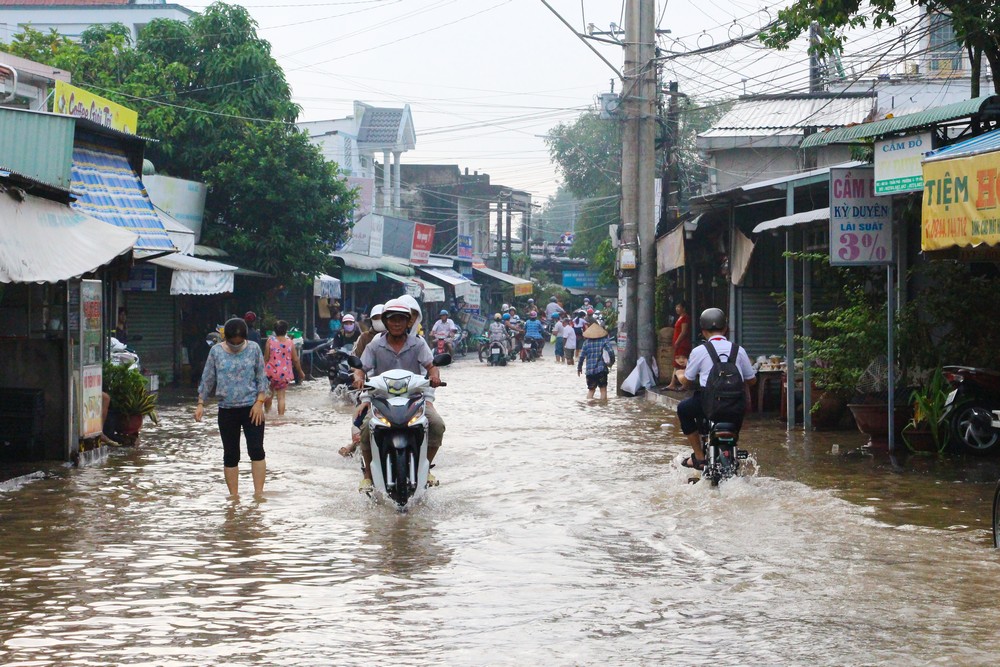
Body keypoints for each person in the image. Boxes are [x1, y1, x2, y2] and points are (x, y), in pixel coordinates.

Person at [353, 300, 445, 492]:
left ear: (408, 323)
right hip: (381, 400)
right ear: (386, 322)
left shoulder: (418, 344)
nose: (396, 323)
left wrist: (435, 376)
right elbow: (361, 368)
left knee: (436, 425)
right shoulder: (375, 345)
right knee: (366, 428)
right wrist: (359, 379)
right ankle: (368, 477)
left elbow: (431, 365)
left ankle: (426, 467)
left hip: (414, 399)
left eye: (401, 320)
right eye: (392, 320)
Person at [195, 317, 269, 497]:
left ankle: (258, 495)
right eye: (232, 342)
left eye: (239, 342)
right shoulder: (216, 352)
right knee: (231, 454)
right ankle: (234, 498)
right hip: (227, 409)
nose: (236, 345)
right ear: (225, 338)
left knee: (256, 450)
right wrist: (200, 403)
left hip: (252, 408)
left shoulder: (253, 349)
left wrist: (259, 403)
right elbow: (208, 378)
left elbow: (262, 378)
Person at [676, 307, 756, 470]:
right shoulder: (738, 350)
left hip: (707, 404)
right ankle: (732, 451)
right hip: (736, 406)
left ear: (703, 331)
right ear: (725, 329)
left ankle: (699, 457)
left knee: (683, 409)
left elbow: (687, 383)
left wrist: (679, 374)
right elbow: (752, 380)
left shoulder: (699, 351)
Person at [263, 319, 304, 416]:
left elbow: (266, 358)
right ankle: (281, 417)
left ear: (274, 331)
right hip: (284, 374)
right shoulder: (290, 342)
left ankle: (267, 415)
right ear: (286, 330)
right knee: (281, 397)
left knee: (269, 394)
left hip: (270, 373)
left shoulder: (270, 341)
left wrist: (262, 371)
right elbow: (295, 359)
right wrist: (300, 372)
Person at [577, 316, 615, 400]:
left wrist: (579, 368)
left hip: (590, 371)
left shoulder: (586, 343)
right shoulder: (604, 341)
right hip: (601, 370)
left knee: (591, 390)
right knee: (603, 390)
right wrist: (611, 362)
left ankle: (589, 408)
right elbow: (611, 353)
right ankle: (603, 408)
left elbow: (581, 357)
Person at [664, 301, 693, 391]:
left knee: (683, 364)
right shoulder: (680, 318)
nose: (677, 309)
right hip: (679, 344)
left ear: (683, 308)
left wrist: (677, 341)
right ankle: (673, 383)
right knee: (677, 364)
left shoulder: (685, 318)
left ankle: (685, 384)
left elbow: (683, 332)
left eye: (678, 307)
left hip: (682, 344)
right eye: (676, 307)